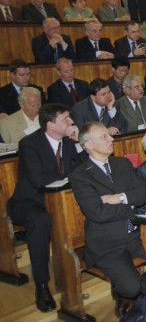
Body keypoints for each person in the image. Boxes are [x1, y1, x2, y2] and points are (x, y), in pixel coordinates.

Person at [7, 104, 84, 312]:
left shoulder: (69, 143)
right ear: (50, 125)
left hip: (60, 200)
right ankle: (42, 286)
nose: (71, 123)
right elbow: (40, 180)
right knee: (41, 221)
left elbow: (86, 169)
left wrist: (79, 144)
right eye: (65, 120)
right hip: (29, 202)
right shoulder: (29, 144)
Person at [70, 122, 146, 317]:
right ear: (88, 145)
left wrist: (120, 198)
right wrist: (131, 205)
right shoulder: (80, 176)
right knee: (132, 288)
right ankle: (126, 290)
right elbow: (97, 213)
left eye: (109, 135)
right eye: (104, 137)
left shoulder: (121, 163)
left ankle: (138, 290)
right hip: (107, 242)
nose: (111, 139)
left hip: (134, 234)